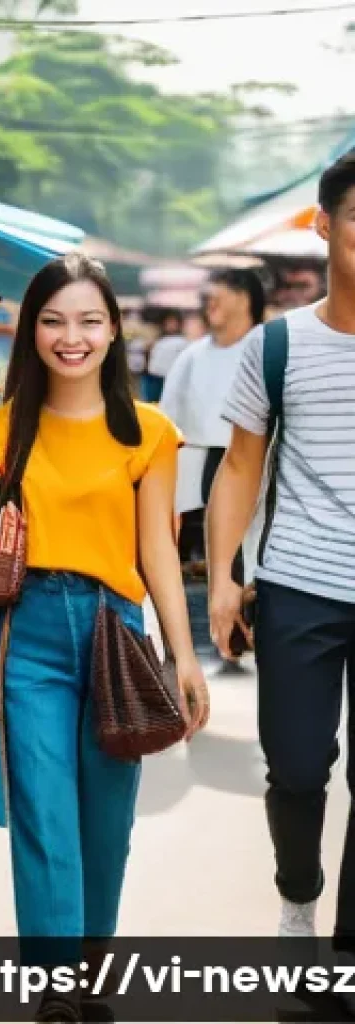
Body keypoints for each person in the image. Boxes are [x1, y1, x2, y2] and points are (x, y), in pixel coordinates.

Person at [0, 254, 210, 1022]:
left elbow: (158, 547)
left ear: (113, 330)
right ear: (32, 330)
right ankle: (56, 990)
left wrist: (185, 655)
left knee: (107, 824)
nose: (73, 337)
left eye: (90, 320)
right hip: (24, 635)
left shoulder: (150, 431)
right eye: (55, 320)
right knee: (44, 819)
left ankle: (91, 970)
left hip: (115, 636)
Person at [207, 153, 355, 953]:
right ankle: (298, 897)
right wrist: (226, 578)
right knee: (297, 769)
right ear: (324, 226)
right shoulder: (278, 346)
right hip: (301, 582)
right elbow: (238, 465)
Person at [159, 269, 266, 587]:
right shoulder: (191, 355)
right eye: (205, 300)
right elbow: (168, 418)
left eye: (214, 298)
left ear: (243, 297)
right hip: (191, 471)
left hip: (250, 466)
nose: (207, 306)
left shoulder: (267, 347)